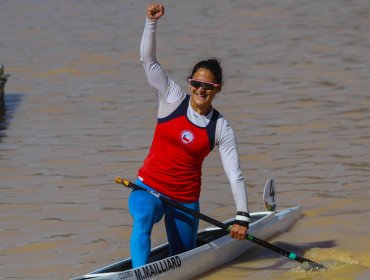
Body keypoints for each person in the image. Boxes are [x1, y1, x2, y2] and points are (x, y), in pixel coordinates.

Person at [128, 3, 250, 268]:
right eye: (196, 83)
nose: (201, 90)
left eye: (208, 86)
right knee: (144, 217)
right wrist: (151, 22)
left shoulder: (221, 127)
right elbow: (148, 61)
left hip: (184, 198)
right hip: (149, 187)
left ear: (217, 89)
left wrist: (242, 217)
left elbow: (234, 174)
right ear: (190, 83)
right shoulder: (171, 97)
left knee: (183, 255)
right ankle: (139, 273)